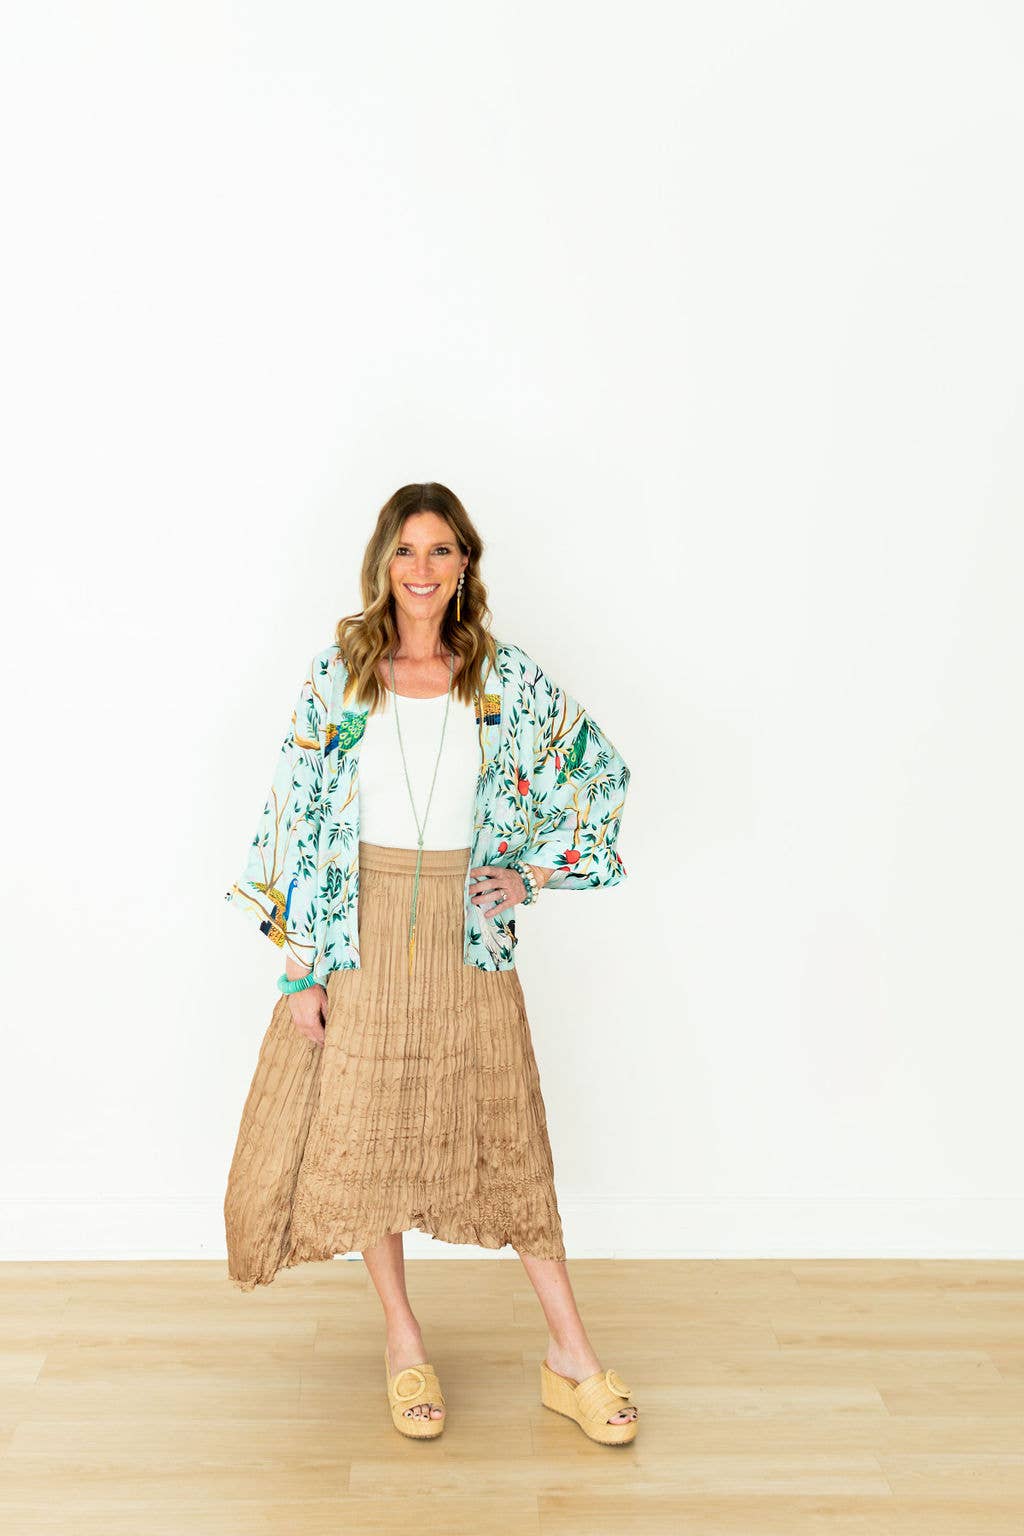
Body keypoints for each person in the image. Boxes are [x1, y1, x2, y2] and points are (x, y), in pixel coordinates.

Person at [222, 481, 639, 1445]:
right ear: (383, 562)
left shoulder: (501, 675)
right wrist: (300, 970)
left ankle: (571, 1356)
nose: (421, 568)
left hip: (466, 928)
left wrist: (532, 874)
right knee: (368, 1132)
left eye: (440, 550)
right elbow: (294, 816)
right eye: (406, 550)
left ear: (464, 565)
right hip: (360, 927)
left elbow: (599, 771)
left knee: (509, 1136)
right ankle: (403, 1341)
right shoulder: (342, 676)